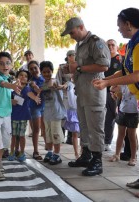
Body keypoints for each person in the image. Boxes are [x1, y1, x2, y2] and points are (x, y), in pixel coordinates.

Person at [92, 8, 139, 195]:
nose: (118, 28)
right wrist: (106, 80)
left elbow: (136, 75)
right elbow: (127, 72)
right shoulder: (131, 45)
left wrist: (108, 82)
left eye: (120, 24)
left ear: (128, 24)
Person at [61, 17, 111, 176]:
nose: (71, 36)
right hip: (82, 94)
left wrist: (80, 68)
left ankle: (97, 161)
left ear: (81, 27)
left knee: (95, 128)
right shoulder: (79, 45)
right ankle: (86, 154)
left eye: (72, 32)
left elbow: (104, 65)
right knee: (84, 127)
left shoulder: (96, 42)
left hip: (94, 94)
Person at [0, 52, 20, 181]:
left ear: (11, 65)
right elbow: (3, 85)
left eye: (7, 63)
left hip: (6, 114)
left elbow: (5, 95)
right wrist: (12, 85)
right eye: (1, 63)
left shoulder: (8, 79)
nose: (5, 66)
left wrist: (12, 101)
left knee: (5, 142)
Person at [8, 70, 40, 162]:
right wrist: (11, 101)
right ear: (17, 77)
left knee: (21, 136)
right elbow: (7, 98)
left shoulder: (27, 89)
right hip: (13, 115)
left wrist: (35, 98)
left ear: (27, 79)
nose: (23, 77)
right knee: (14, 136)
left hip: (23, 116)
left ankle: (22, 152)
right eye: (21, 75)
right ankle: (12, 152)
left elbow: (31, 95)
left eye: (25, 76)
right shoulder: (12, 88)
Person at [40, 61, 66, 165]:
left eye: (48, 72)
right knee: (48, 134)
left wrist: (39, 88)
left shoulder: (54, 80)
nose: (46, 74)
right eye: (44, 72)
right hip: (47, 113)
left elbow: (51, 85)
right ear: (41, 72)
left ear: (52, 71)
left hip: (56, 113)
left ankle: (57, 154)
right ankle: (50, 152)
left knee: (56, 134)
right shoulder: (42, 83)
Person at [109, 85, 138, 166]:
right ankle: (117, 154)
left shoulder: (136, 85)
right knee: (120, 134)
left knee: (132, 136)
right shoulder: (124, 85)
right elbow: (112, 88)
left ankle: (133, 157)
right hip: (122, 112)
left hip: (133, 113)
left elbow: (133, 92)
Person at [104, 39, 122, 151]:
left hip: (117, 92)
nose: (110, 47)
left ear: (117, 47)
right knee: (108, 119)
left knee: (120, 118)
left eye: (112, 45)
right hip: (104, 92)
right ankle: (107, 142)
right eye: (108, 45)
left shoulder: (120, 59)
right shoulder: (103, 59)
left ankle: (125, 143)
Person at [56, 50, 75, 145]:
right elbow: (58, 80)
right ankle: (61, 136)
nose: (72, 57)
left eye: (74, 55)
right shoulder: (62, 67)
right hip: (63, 94)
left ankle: (71, 137)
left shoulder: (78, 67)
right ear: (67, 57)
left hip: (74, 95)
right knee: (63, 115)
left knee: (73, 115)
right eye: (70, 55)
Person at [28, 60, 45, 161]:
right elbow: (36, 89)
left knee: (45, 130)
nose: (34, 70)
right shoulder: (30, 82)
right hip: (35, 108)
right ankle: (35, 151)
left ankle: (50, 150)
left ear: (39, 67)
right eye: (31, 69)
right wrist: (35, 86)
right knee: (36, 130)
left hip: (45, 107)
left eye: (35, 68)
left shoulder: (44, 78)